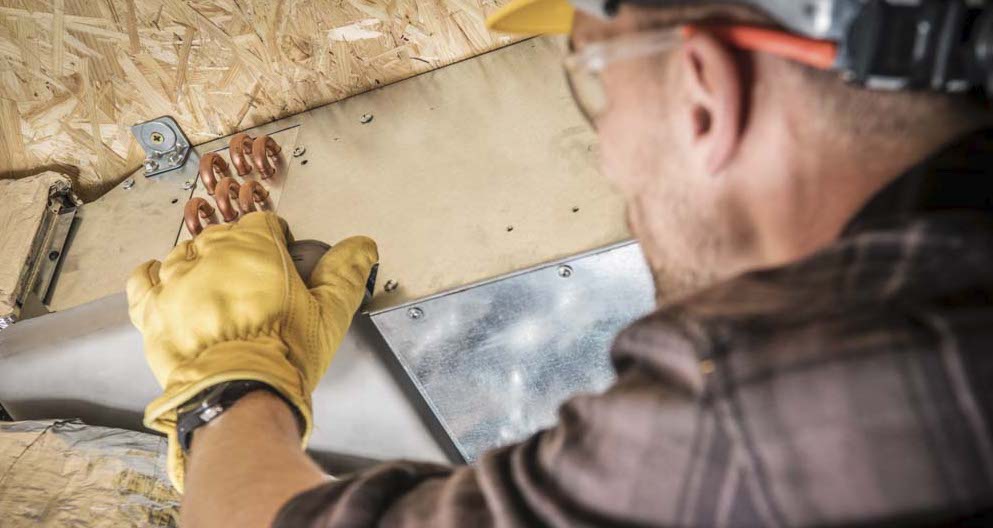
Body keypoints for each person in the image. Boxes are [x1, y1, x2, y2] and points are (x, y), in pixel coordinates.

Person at [125, 0, 993, 526]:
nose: (606, 151)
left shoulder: (768, 407)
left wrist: (228, 384)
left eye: (597, 82)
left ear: (703, 90)